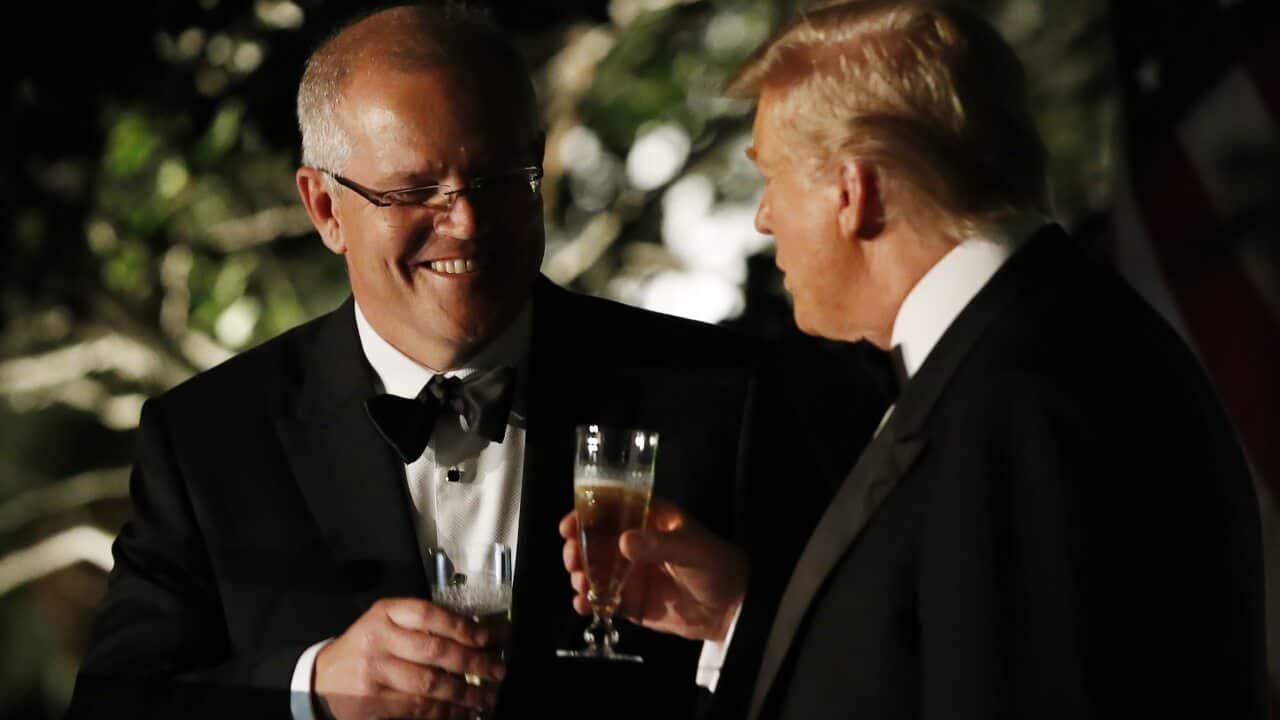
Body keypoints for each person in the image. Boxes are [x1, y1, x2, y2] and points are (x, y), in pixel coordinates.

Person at [66, 4, 890, 719]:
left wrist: (739, 618)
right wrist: (312, 688)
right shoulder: (209, 438)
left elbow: (870, 673)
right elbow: (116, 705)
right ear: (325, 208)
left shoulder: (725, 399)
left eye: (498, 179)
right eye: (414, 190)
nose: (466, 224)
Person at [560, 2, 1269, 718]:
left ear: (851, 192)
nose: (763, 216)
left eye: (770, 176)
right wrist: (738, 617)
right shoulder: (1029, 345)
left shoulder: (1019, 398)